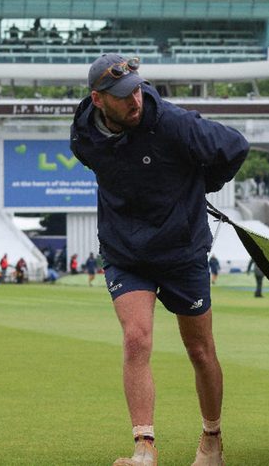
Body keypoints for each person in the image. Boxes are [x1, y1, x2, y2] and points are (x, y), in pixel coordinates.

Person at [70, 53, 249, 466]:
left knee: (200, 350)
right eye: (121, 96)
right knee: (136, 338)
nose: (134, 101)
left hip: (181, 250)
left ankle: (211, 438)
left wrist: (200, 184)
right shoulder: (83, 136)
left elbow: (235, 147)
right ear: (98, 100)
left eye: (136, 90)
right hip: (124, 251)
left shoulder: (173, 123)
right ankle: (144, 448)